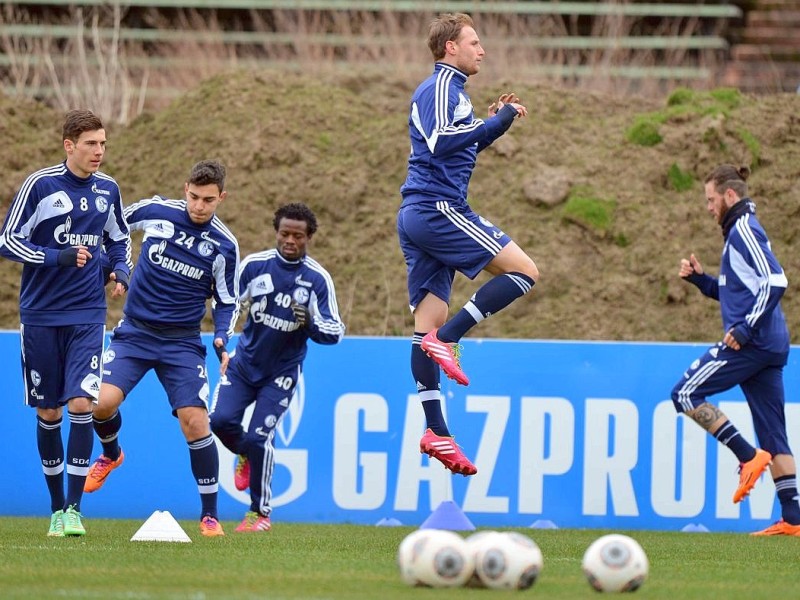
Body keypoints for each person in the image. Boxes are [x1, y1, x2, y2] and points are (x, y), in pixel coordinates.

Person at [396, 12, 538, 476]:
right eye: (474, 42)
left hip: (422, 215)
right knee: (524, 272)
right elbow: (441, 143)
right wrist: (493, 120)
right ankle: (451, 339)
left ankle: (436, 431)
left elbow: (464, 143)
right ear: (450, 48)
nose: (482, 50)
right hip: (438, 208)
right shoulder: (438, 87)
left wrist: (497, 123)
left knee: (424, 327)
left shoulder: (454, 94)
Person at [82, 159, 240, 537]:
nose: (199, 206)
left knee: (196, 421)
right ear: (185, 188)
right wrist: (116, 265)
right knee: (99, 404)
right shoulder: (156, 211)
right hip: (135, 333)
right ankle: (110, 454)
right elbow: (114, 227)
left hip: (182, 343)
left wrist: (221, 336)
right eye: (194, 197)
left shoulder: (224, 245)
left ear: (222, 197)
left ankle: (210, 516)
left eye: (208, 200)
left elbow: (228, 300)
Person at [0, 109, 132, 537]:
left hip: (87, 315)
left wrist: (120, 271)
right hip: (40, 313)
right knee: (49, 410)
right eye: (92, 143)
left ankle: (74, 510)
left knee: (82, 404)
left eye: (103, 143)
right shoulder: (41, 186)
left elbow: (118, 238)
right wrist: (54, 256)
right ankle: (56, 508)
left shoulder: (108, 189)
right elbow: (7, 240)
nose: (99, 151)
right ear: (69, 146)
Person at [672, 164, 800, 536]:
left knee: (685, 392)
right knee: (774, 433)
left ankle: (747, 457)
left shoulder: (743, 231)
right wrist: (700, 280)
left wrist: (744, 329)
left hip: (754, 343)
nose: (709, 207)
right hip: (770, 344)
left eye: (711, 200)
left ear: (730, 195)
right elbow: (736, 292)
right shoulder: (738, 232)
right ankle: (793, 519)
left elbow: (777, 280)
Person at [209, 203, 345, 532]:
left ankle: (260, 513)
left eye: (298, 235)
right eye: (284, 233)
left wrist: (310, 323)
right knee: (219, 421)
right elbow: (230, 305)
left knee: (259, 438)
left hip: (280, 374)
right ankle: (245, 454)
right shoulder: (255, 266)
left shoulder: (317, 279)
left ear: (309, 237)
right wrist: (222, 341)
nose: (290, 240)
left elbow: (335, 332)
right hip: (244, 366)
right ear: (276, 232)